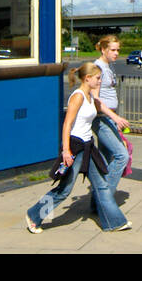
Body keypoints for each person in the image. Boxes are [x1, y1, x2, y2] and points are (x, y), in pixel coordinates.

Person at [25, 62, 130, 233]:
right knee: (64, 190)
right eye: (97, 78)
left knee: (102, 185)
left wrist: (117, 119)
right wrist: (66, 150)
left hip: (88, 147)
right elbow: (67, 124)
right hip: (75, 147)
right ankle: (34, 215)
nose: (100, 81)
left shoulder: (90, 96)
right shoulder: (78, 96)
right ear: (87, 78)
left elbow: (101, 106)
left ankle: (115, 222)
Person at [89, 36, 131, 209]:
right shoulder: (97, 67)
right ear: (103, 49)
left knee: (106, 161)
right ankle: (104, 199)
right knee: (122, 156)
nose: (116, 53)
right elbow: (95, 98)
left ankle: (95, 204)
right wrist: (115, 117)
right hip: (102, 119)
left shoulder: (107, 67)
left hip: (109, 118)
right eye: (113, 50)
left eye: (118, 50)